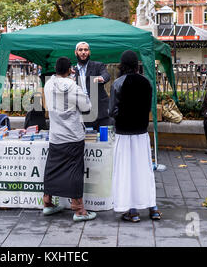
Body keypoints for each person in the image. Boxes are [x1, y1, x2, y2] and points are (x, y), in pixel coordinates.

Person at [109, 50, 161, 222]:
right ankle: (152, 207)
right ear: (137, 64)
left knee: (125, 171)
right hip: (141, 131)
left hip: (124, 132)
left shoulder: (117, 83)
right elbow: (147, 107)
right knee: (144, 170)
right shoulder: (147, 82)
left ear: (122, 65)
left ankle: (131, 209)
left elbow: (112, 110)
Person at [43, 56, 96, 222]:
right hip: (72, 135)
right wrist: (75, 82)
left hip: (55, 135)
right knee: (74, 170)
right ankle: (78, 208)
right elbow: (87, 107)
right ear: (69, 70)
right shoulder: (72, 86)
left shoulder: (48, 84)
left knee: (52, 168)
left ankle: (48, 202)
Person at [73, 41, 111, 131]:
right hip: (83, 113)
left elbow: (106, 75)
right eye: (80, 50)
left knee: (104, 140)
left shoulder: (97, 65)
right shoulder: (73, 71)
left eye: (86, 50)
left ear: (89, 52)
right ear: (76, 52)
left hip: (100, 113)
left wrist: (101, 78)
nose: (83, 52)